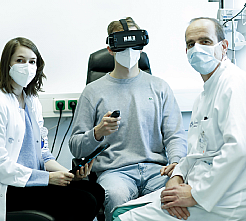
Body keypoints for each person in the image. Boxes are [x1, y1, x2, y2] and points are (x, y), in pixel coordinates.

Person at [110, 17, 246, 221]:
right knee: (119, 210)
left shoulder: (236, 85)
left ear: (224, 46)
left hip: (225, 201)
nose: (197, 49)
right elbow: (197, 153)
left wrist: (194, 194)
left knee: (121, 217)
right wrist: (177, 175)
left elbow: (239, 150)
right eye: (190, 44)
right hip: (200, 189)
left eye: (205, 41)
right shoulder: (205, 95)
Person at [69, 17, 187, 221]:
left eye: (134, 45)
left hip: (156, 171)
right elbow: (76, 147)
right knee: (115, 197)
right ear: (111, 49)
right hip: (115, 172)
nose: (130, 52)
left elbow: (175, 135)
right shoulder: (93, 92)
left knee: (177, 196)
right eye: (123, 46)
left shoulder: (159, 87)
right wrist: (97, 133)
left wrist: (176, 164)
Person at [0, 37, 104, 221]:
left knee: (95, 190)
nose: (27, 66)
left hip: (33, 181)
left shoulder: (32, 101)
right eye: (20, 60)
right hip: (8, 188)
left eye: (32, 61)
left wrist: (69, 174)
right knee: (83, 201)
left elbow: (42, 152)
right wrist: (47, 179)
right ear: (7, 64)